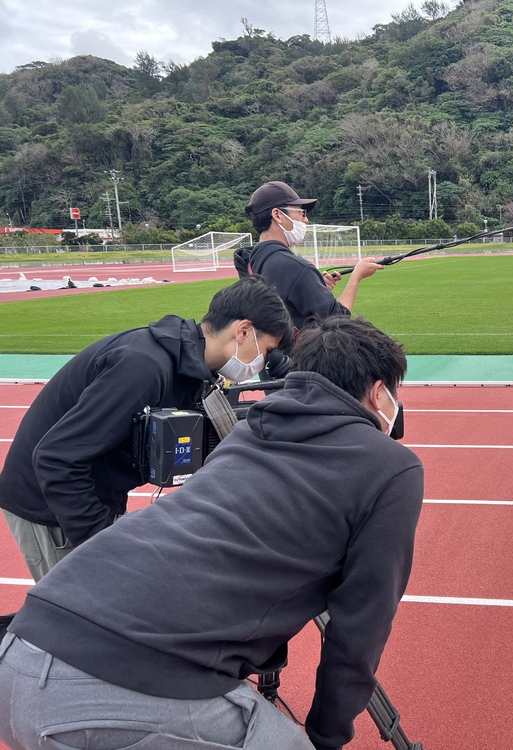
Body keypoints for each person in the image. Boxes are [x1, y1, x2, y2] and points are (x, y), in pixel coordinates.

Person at [0, 315, 424, 750]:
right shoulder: (391, 467)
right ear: (379, 392)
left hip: (19, 651)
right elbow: (359, 628)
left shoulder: (247, 432)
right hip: (103, 693)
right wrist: (326, 738)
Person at [0, 275, 294, 583]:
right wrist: (104, 542)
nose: (262, 363)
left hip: (94, 490)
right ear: (244, 331)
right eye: (267, 351)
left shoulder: (190, 366)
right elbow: (56, 458)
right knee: (86, 604)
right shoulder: (143, 368)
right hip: (48, 504)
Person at [235, 180, 383, 330]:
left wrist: (312, 287)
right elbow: (337, 321)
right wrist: (356, 277)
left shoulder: (250, 261)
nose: (306, 219)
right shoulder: (296, 267)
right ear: (277, 215)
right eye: (302, 213)